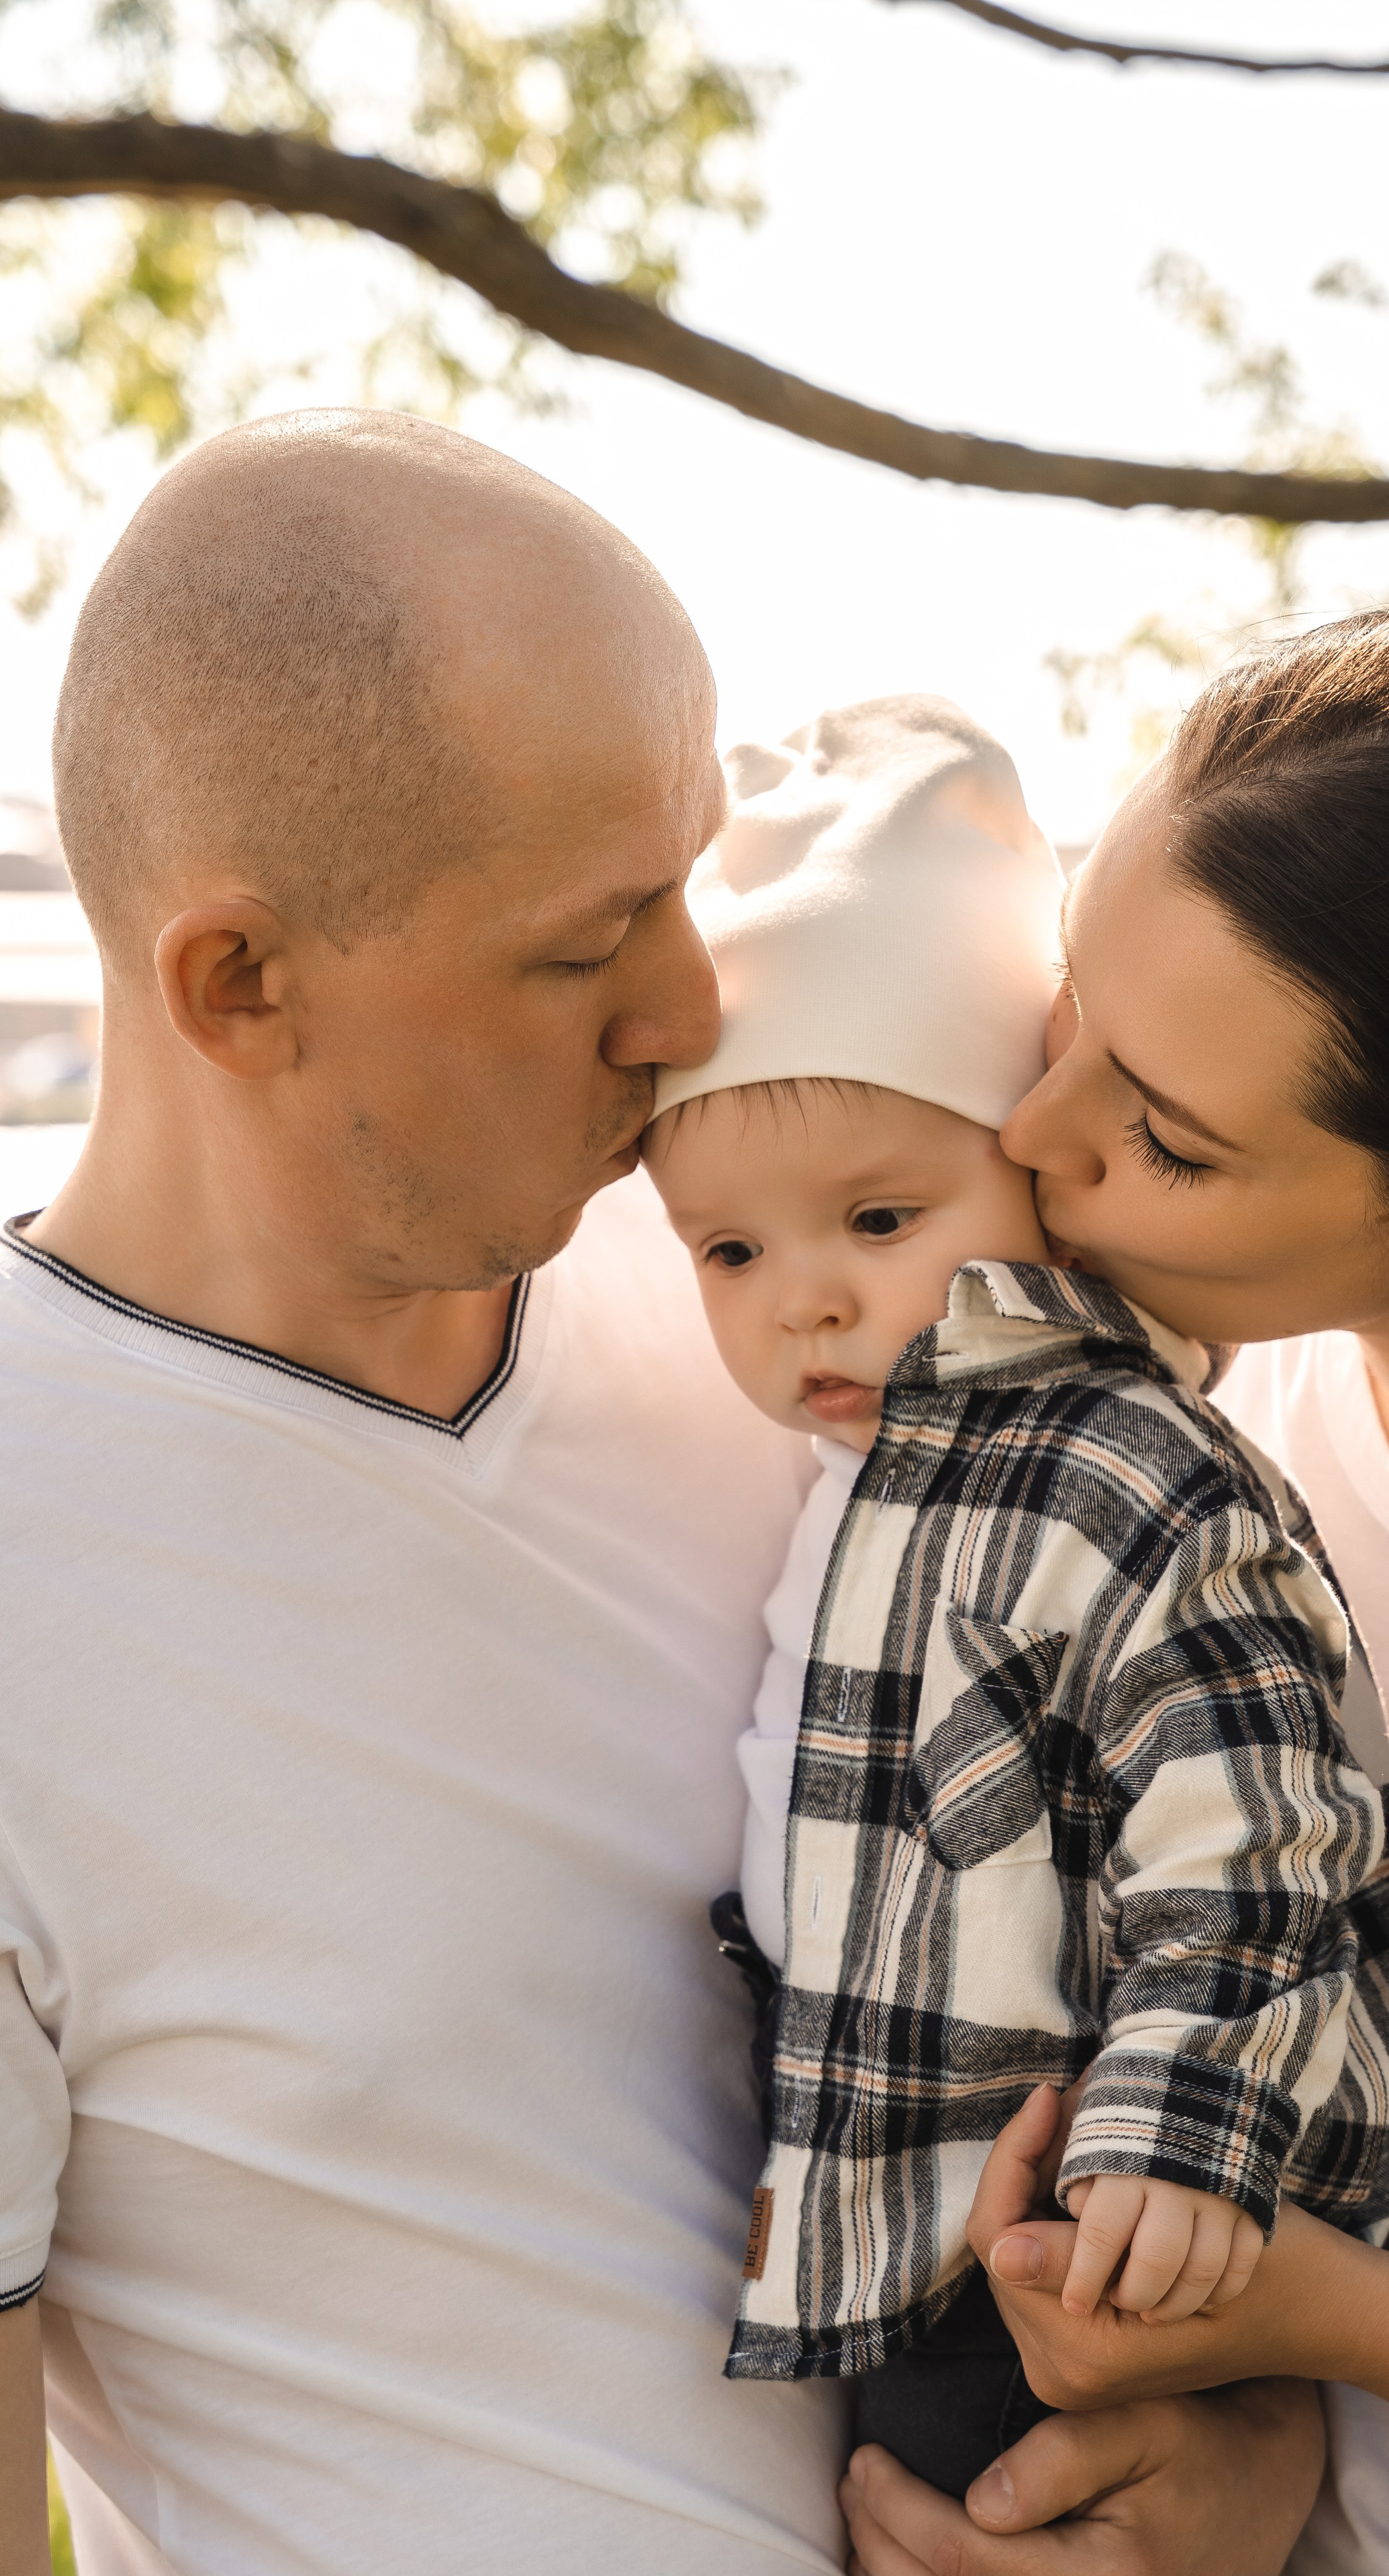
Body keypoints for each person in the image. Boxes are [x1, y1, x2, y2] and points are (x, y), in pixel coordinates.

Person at [0, 410, 853, 2575]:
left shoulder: (799, 1308)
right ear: (240, 985)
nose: (692, 1004)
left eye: (699, 876)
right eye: (591, 944)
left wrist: (1243, 2457)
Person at [841, 601, 1389, 2575]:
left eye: (1161, 1135)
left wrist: (1322, 2318)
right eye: (1074, 1011)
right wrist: (1243, 2462)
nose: (1033, 1139)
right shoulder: (1201, 1448)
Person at [643, 698, 1389, 2500]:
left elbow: (1259, 1815)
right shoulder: (863, 1482)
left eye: (881, 1219)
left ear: (1035, 1175)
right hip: (915, 2237)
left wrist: (1174, 2139)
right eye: (732, 1251)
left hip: (1091, 2233)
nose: (804, 1300)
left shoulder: (1116, 1465)